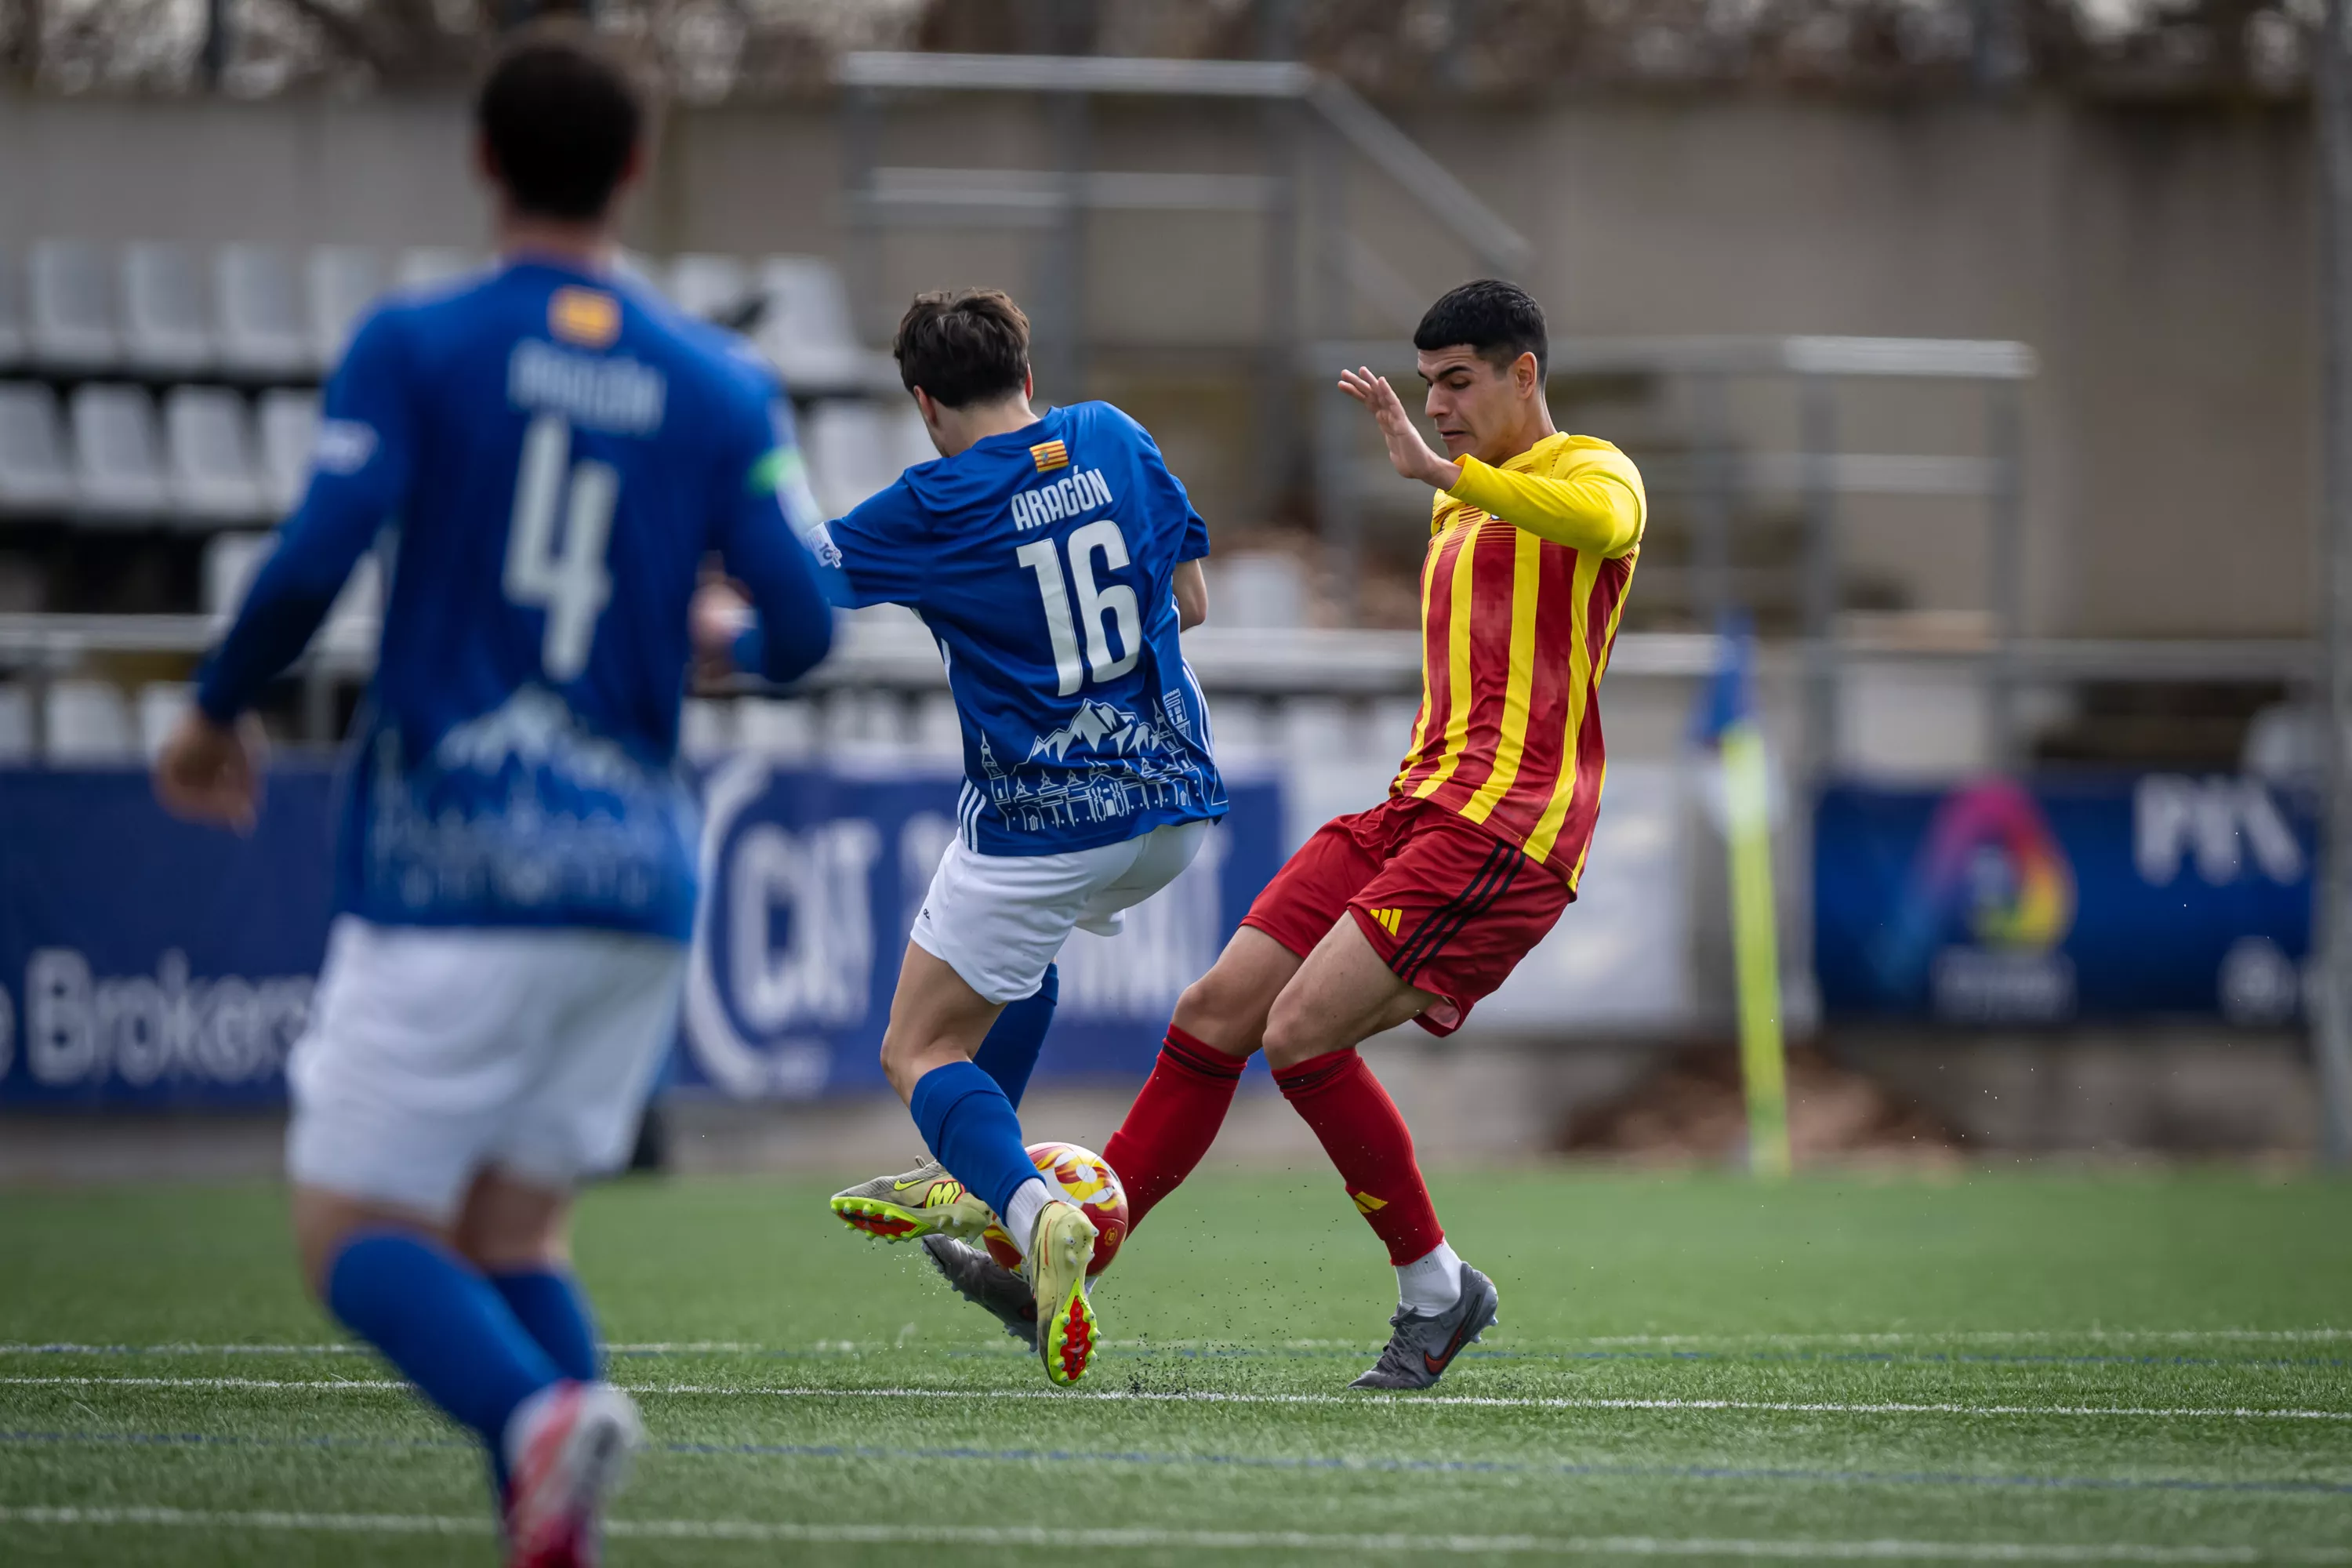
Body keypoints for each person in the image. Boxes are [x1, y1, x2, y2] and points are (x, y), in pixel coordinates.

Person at [151, 28, 835, 1566]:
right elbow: (800, 628)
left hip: (456, 864)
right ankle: (557, 1512)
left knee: (350, 1232)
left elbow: (318, 550)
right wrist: (705, 632)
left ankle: (534, 1424)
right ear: (637, 173)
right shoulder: (719, 385)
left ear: (482, 159)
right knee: (514, 1235)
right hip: (638, 879)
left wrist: (210, 713)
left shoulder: (420, 343)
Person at [892, 279, 1646, 1391]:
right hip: (1413, 806)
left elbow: (1604, 526)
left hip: (1509, 828)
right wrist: (1453, 484)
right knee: (1215, 1011)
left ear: (1523, 374)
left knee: (1299, 1032)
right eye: (1428, 385)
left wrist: (1447, 473)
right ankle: (1076, 1255)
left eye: (1459, 383)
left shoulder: (1590, 471)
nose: (1436, 406)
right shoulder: (1463, 502)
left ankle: (1436, 1290)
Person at [697, 288, 1224, 1386]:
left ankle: (1028, 1213)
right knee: (1017, 973)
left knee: (917, 1049)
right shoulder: (1113, 435)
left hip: (1045, 822)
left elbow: (788, 594)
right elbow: (1195, 599)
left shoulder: (930, 500)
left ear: (925, 403)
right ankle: (973, 1165)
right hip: (1175, 806)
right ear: (1027, 373)